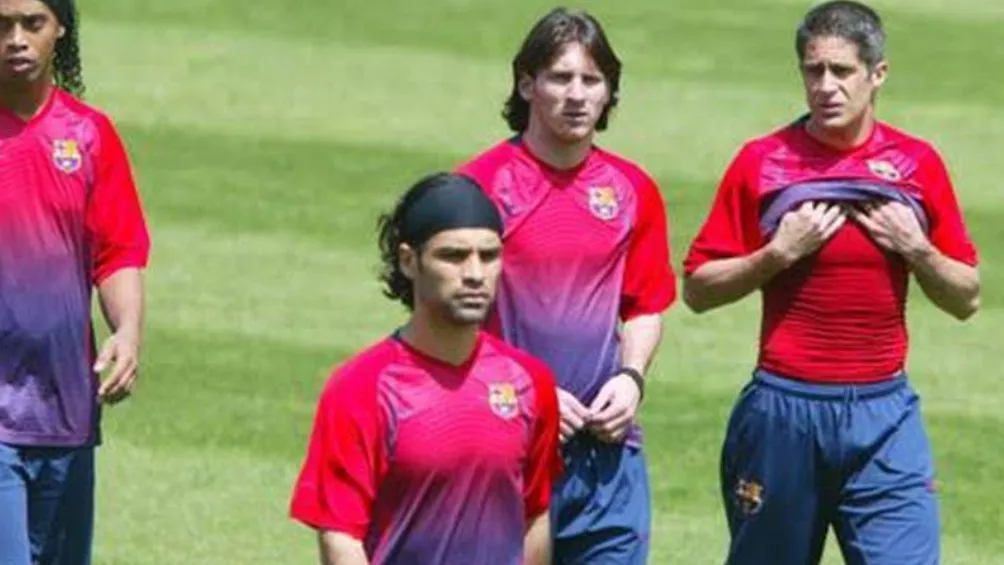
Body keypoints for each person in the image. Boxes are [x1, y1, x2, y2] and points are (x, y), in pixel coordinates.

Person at [682, 2, 980, 564]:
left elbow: (966, 297)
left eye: (841, 71)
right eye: (813, 70)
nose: (825, 86)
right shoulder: (763, 161)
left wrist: (916, 249)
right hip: (784, 411)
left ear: (877, 73)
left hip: (885, 414)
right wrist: (777, 254)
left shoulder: (916, 165)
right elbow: (698, 289)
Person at [458, 7, 677, 564]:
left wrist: (631, 379)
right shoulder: (478, 189)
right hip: (505, 449)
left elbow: (645, 304)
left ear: (609, 92)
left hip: (606, 457)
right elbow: (446, 322)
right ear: (526, 84)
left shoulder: (632, 189)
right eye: (560, 77)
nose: (577, 95)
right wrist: (527, 390)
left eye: (592, 79)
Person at [288, 172, 563, 565]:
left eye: (489, 256)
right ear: (408, 261)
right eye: (453, 256)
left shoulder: (531, 382)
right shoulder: (361, 388)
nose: (475, 274)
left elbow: (534, 513)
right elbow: (340, 536)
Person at [0, 0, 152, 564]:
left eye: (32, 23)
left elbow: (117, 252)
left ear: (60, 27)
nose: (16, 39)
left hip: (65, 407)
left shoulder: (88, 134)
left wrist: (127, 332)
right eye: (1, 25)